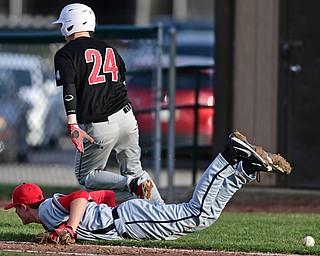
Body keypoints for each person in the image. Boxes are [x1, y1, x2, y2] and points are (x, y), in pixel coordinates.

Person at [4, 131, 291, 242]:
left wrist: (67, 229)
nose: (14, 214)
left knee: (195, 215)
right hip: (128, 216)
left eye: (14, 209)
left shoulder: (45, 212)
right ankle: (244, 169)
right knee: (196, 220)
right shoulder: (47, 214)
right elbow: (95, 197)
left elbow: (79, 196)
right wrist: (110, 202)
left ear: (21, 206)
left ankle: (229, 156)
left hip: (130, 221)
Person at [51, 3, 163, 203]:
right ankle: (161, 210)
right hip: (127, 116)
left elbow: (69, 88)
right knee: (136, 171)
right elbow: (122, 82)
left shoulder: (65, 53)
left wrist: (72, 123)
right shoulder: (109, 48)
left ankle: (132, 186)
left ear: (69, 25)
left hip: (101, 124)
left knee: (86, 177)